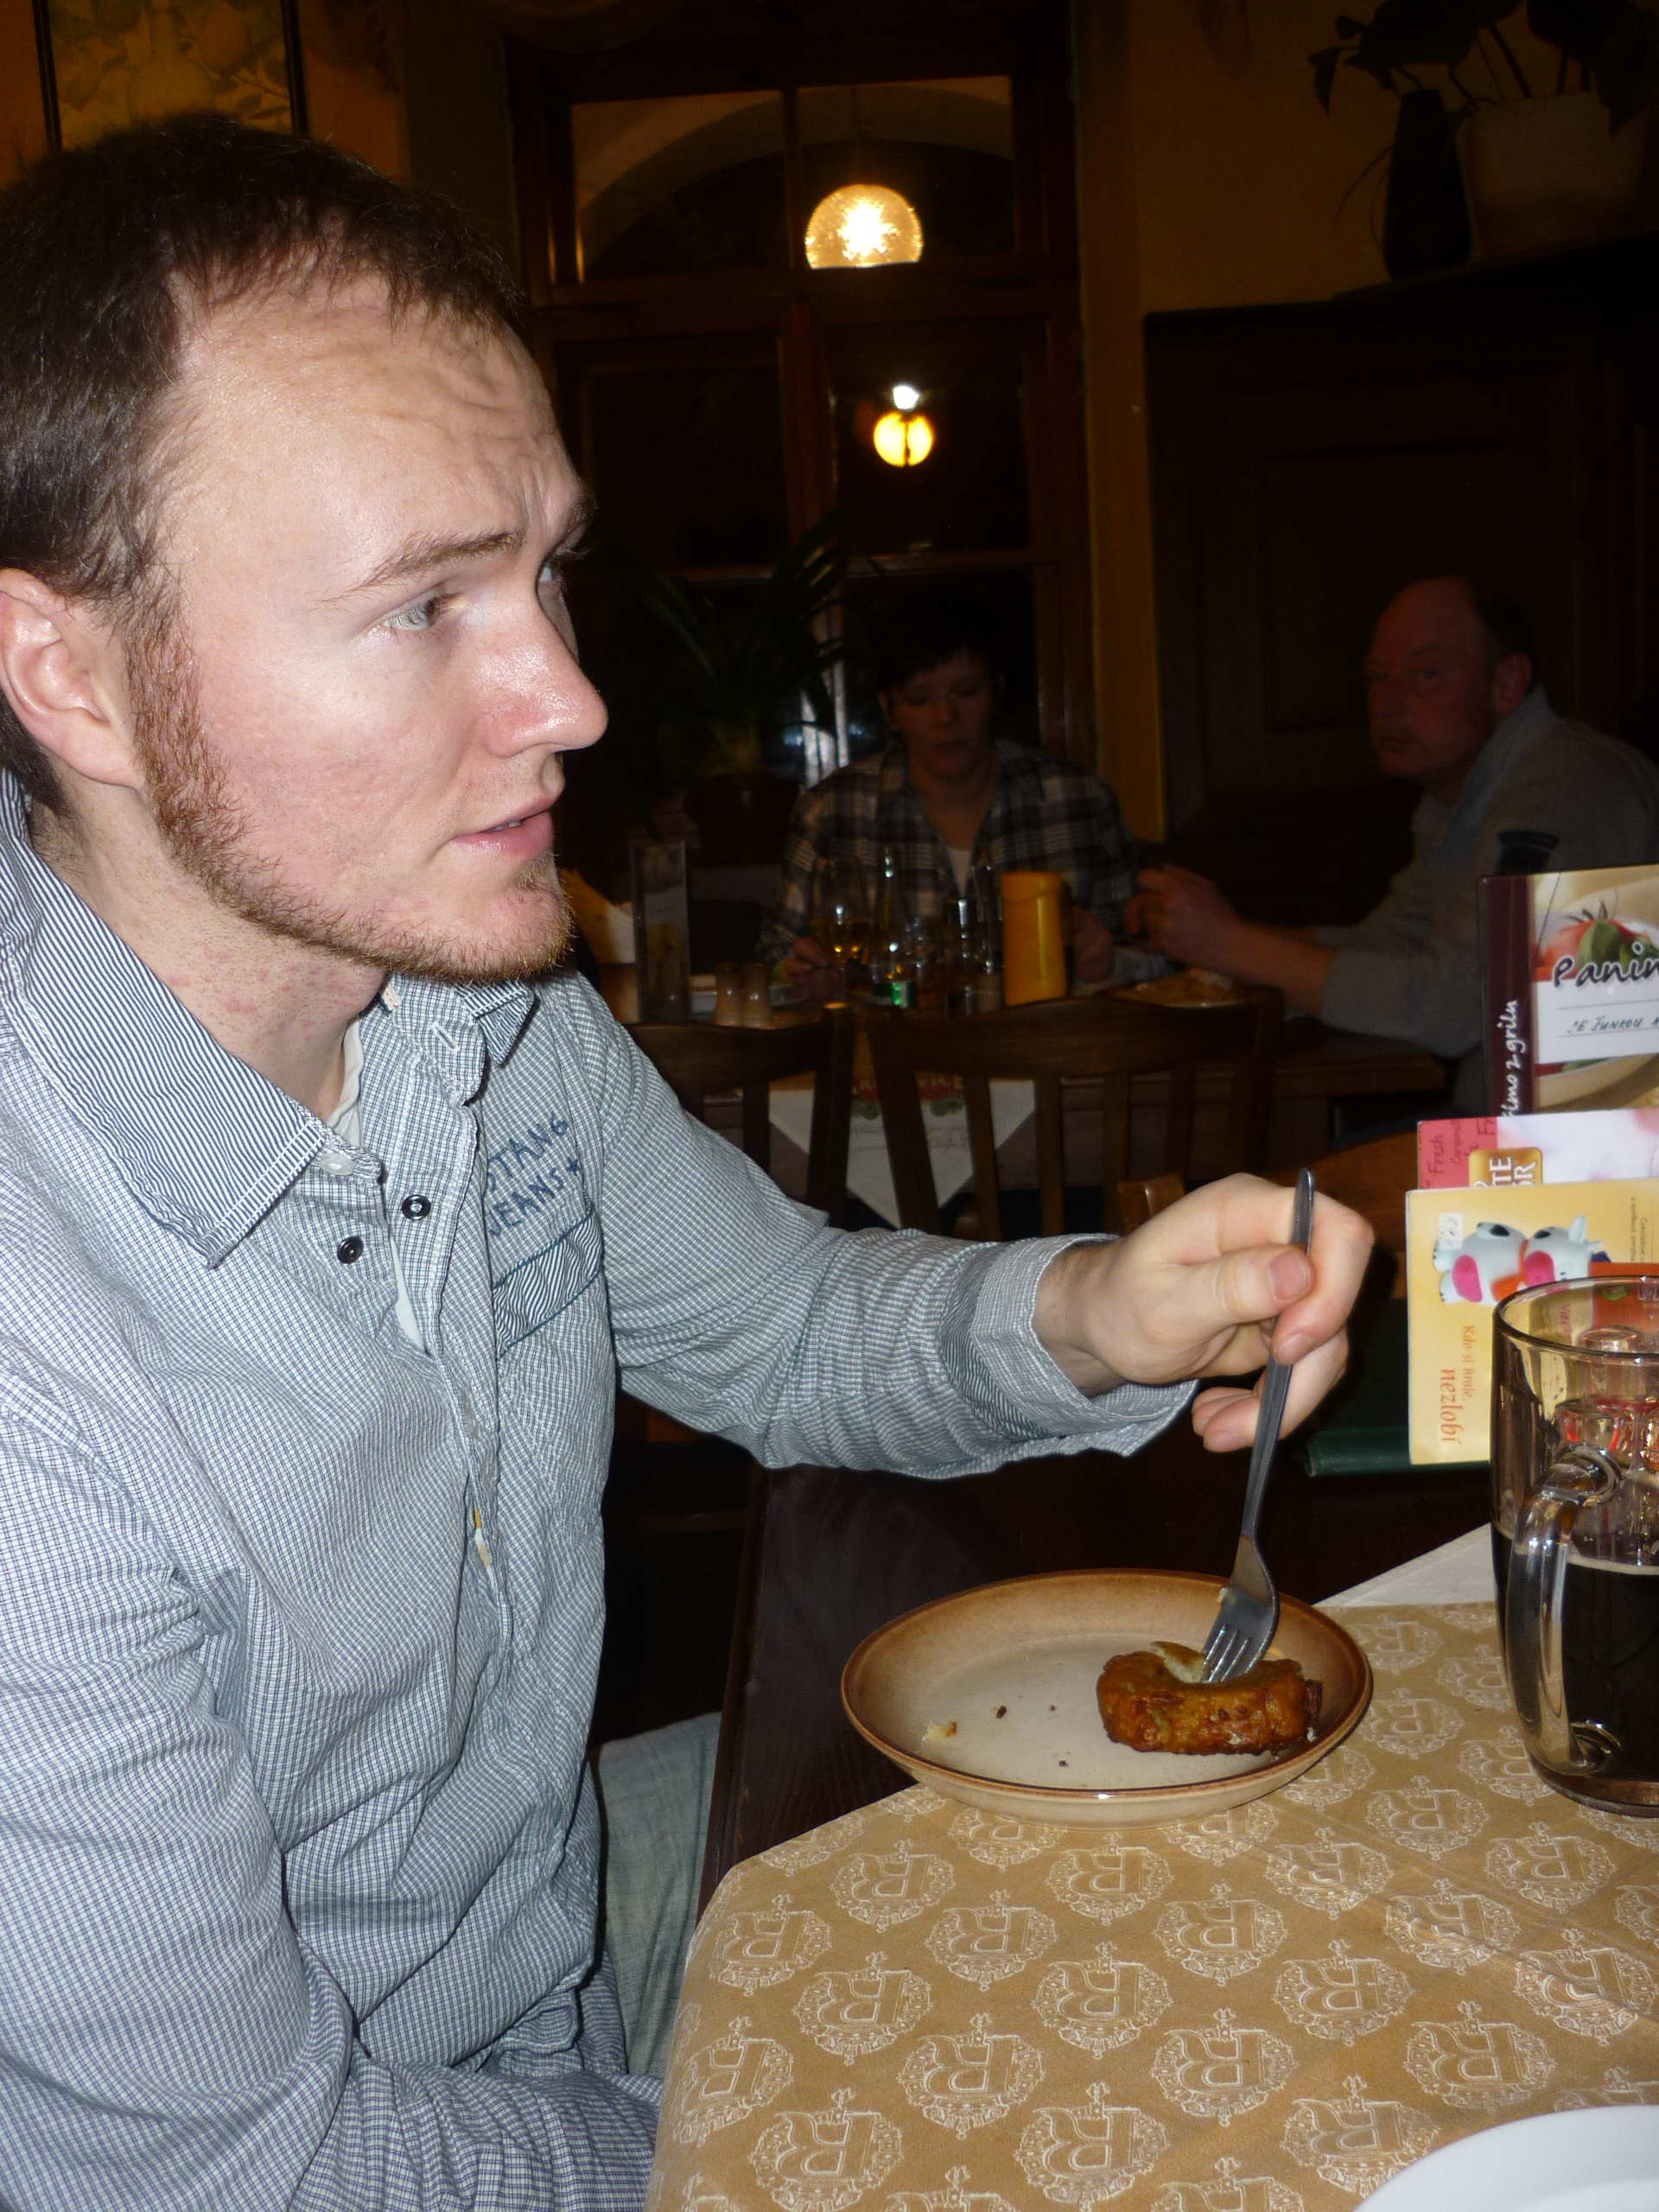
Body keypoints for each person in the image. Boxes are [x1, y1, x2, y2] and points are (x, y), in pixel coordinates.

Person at [0, 118, 1370, 2212]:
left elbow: (790, 1325)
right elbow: (249, 2166)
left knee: (1246, 1926)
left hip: (556, 1929)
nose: (568, 694)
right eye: (422, 603)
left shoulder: (472, 1000)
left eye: (542, 569)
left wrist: (1094, 1309)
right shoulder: (33, 1381)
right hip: (346, 2146)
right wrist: (825, 2144)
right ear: (73, 677)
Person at [1133, 576, 1659, 1108]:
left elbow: (1453, 1007)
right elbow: (1391, 944)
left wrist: (1227, 942)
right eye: (1377, 677)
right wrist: (1201, 940)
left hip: (1590, 1153)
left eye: (1425, 674)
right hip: (1512, 1135)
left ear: (1505, 685)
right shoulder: (1469, 793)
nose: (1385, 703)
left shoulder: (1565, 792)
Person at [760, 585, 1166, 992]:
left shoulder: (1079, 801)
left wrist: (1109, 961)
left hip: (1045, 1031)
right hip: (891, 1032)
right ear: (889, 710)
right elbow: (775, 960)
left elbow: (1157, 959)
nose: (945, 717)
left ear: (997, 692)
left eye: (967, 692)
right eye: (919, 700)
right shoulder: (831, 811)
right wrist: (801, 973)